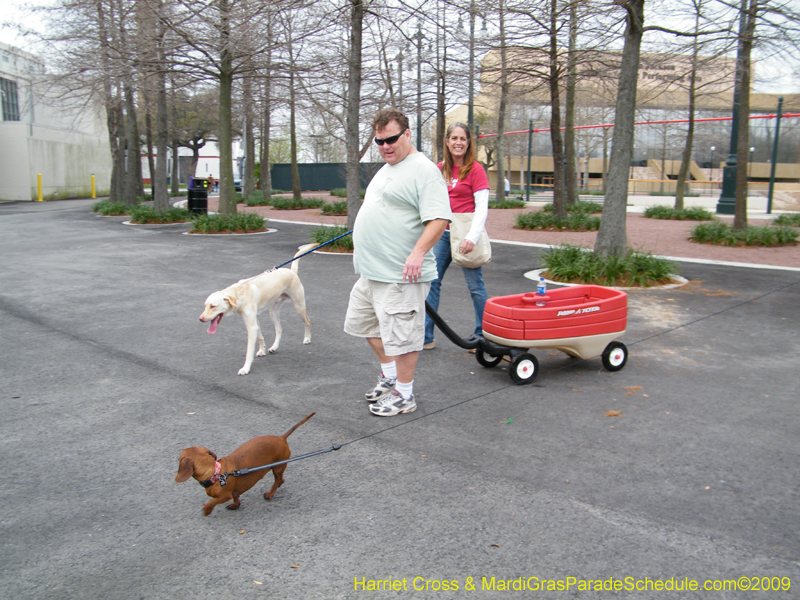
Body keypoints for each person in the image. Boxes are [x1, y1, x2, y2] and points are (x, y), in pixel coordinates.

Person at [344, 108, 451, 417]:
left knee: (403, 338)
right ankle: (390, 375)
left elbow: (439, 217)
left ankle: (405, 394)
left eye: (391, 139)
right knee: (364, 324)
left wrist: (418, 252)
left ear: (407, 134)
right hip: (371, 272)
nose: (385, 146)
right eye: (379, 141)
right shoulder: (388, 168)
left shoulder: (423, 169)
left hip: (400, 274)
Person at [423, 122, 490, 350]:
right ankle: (426, 336)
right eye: (454, 138)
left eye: (463, 138)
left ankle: (482, 335)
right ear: (447, 142)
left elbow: (482, 208)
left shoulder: (476, 170)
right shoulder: (440, 168)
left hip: (465, 236)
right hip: (443, 233)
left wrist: (472, 237)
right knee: (432, 282)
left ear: (469, 142)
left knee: (475, 287)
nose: (458, 142)